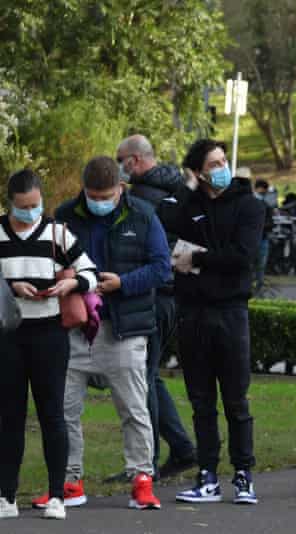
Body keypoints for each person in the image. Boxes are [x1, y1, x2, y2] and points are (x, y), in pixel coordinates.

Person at [52, 156, 170, 510]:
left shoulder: (144, 214)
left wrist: (123, 284)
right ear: (83, 190)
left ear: (121, 188)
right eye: (92, 195)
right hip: (75, 327)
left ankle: (141, 480)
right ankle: (69, 482)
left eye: (106, 195)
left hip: (125, 329)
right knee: (64, 410)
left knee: (134, 409)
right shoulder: (65, 215)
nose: (99, 201)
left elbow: (161, 268)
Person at [160, 139, 265, 505]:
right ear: (198, 171)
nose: (222, 167)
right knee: (201, 400)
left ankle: (243, 474)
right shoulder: (190, 205)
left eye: (224, 160)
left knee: (236, 400)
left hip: (231, 313)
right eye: (213, 163)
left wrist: (199, 258)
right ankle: (207, 475)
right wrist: (187, 187)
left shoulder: (249, 205)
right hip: (193, 313)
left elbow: (242, 256)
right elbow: (164, 222)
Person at [0, 170, 98, 520]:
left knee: (52, 415)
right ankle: (6, 495)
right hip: (8, 335)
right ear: (10, 202)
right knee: (8, 417)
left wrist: (70, 287)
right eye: (24, 206)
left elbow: (90, 272)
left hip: (49, 335)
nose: (31, 212)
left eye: (36, 204)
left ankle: (57, 495)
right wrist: (12, 287)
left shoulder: (58, 232)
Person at [115, 135, 198, 481]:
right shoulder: (179, 191)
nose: (119, 165)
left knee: (141, 378)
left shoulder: (141, 200)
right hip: (173, 295)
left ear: (135, 161)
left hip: (150, 296)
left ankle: (146, 461)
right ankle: (181, 449)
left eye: (120, 159)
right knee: (148, 376)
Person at [252, 179, 275, 294]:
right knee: (254, 267)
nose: (265, 191)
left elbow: (271, 222)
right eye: (264, 189)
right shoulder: (249, 202)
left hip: (262, 239)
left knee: (260, 267)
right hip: (252, 240)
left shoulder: (266, 204)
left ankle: (258, 291)